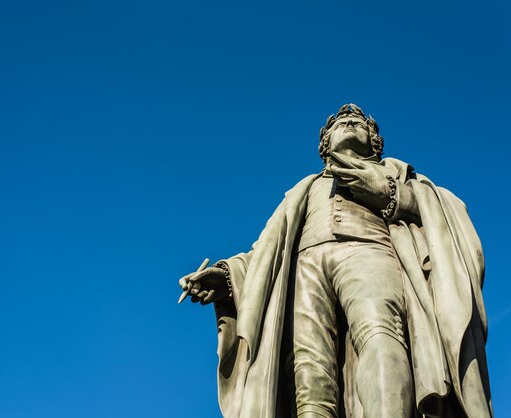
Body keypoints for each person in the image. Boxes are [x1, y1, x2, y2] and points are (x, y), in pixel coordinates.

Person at [179, 104, 492, 418]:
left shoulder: (396, 174)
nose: (350, 119)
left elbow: (447, 214)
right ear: (324, 142)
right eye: (341, 122)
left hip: (370, 251)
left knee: (380, 335)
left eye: (358, 122)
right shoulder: (302, 191)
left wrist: (390, 193)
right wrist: (226, 276)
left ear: (374, 141)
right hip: (305, 270)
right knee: (307, 373)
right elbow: (265, 256)